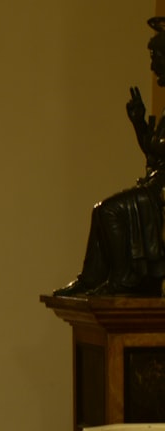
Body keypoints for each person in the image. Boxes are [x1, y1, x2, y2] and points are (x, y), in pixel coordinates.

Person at [55, 16, 165, 296]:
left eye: (156, 57)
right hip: (155, 185)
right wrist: (139, 123)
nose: (152, 66)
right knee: (99, 210)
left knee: (110, 211)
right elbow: (155, 150)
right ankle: (92, 278)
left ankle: (125, 278)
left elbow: (160, 149)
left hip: (161, 191)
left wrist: (145, 131)